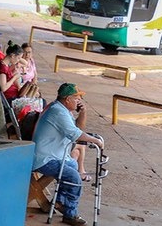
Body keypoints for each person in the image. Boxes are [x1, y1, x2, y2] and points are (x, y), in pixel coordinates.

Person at [32, 83, 103, 226]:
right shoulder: (57, 111)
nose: (79, 101)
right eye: (76, 98)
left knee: (72, 164)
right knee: (73, 176)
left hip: (55, 155)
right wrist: (96, 141)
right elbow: (75, 134)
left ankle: (60, 201)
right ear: (67, 99)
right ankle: (70, 213)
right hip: (45, 158)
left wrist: (83, 112)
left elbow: (78, 128)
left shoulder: (64, 110)